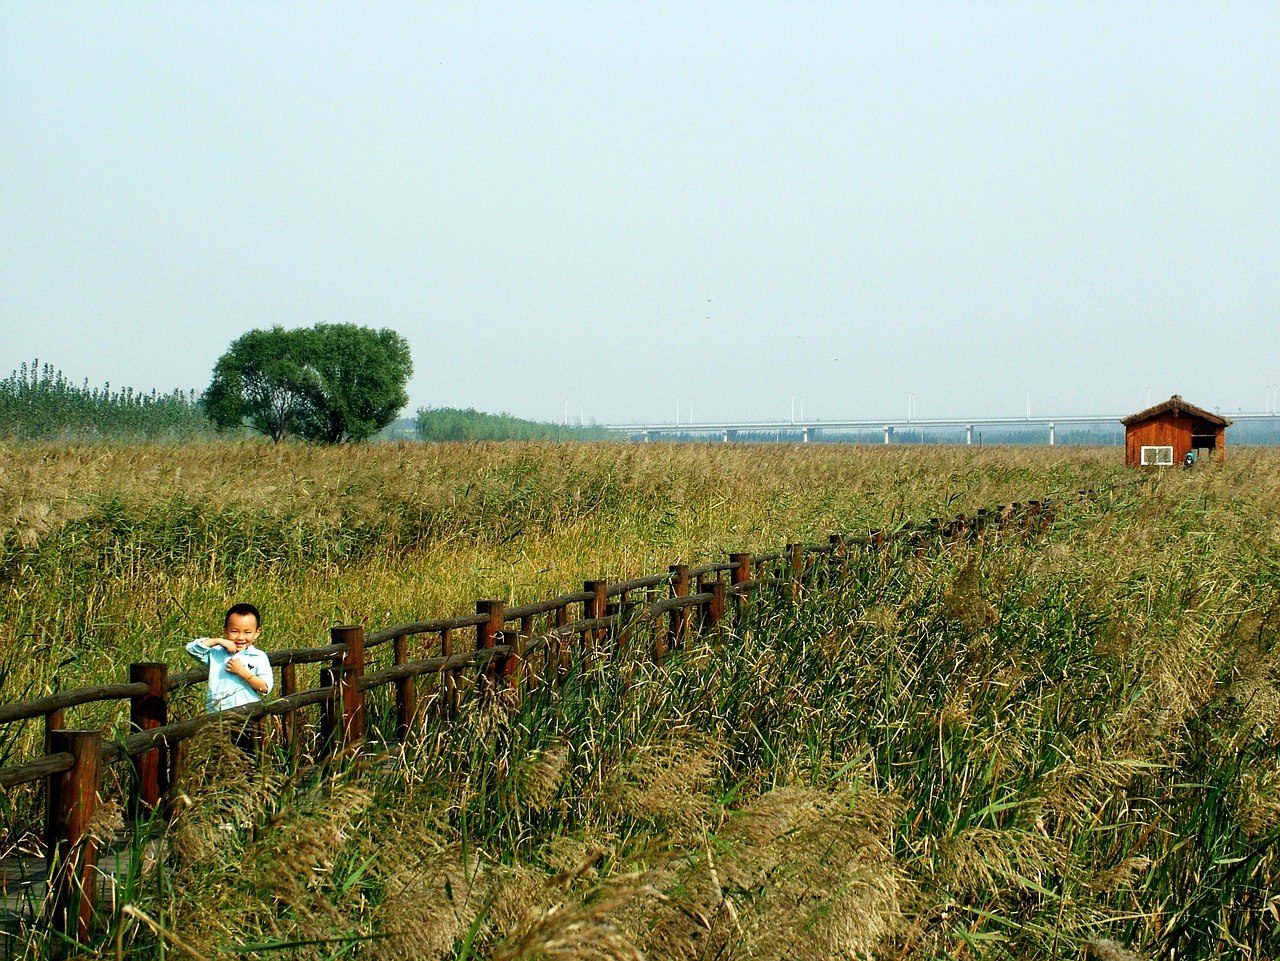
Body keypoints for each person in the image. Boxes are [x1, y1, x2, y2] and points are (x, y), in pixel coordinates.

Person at [186, 603, 274, 714]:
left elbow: (264, 687)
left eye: (247, 632)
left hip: (248, 714)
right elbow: (192, 649)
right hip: (216, 713)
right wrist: (217, 641)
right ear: (225, 630)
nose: (241, 637)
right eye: (234, 631)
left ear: (256, 632)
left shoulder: (258, 657)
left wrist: (242, 672)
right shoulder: (217, 653)